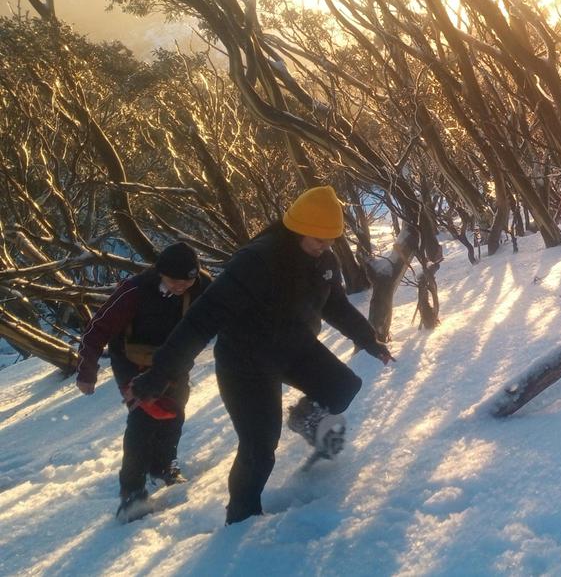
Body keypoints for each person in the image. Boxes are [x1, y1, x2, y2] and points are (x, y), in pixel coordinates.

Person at [129, 185, 394, 524]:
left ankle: (303, 418)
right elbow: (201, 319)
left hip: (294, 346)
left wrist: (370, 341)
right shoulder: (257, 260)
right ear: (296, 229)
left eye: (330, 241)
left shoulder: (323, 260)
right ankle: (241, 518)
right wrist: (158, 375)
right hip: (246, 362)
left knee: (343, 387)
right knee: (259, 448)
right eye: (318, 240)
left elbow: (336, 304)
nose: (325, 248)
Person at [75, 242, 211, 522]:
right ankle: (132, 492)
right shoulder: (134, 292)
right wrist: (86, 372)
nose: (181, 286)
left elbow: (223, 309)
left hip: (173, 360)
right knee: (144, 417)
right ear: (161, 273)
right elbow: (96, 329)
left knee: (174, 413)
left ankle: (163, 465)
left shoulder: (201, 285)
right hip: (132, 362)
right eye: (175, 280)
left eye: (188, 280)